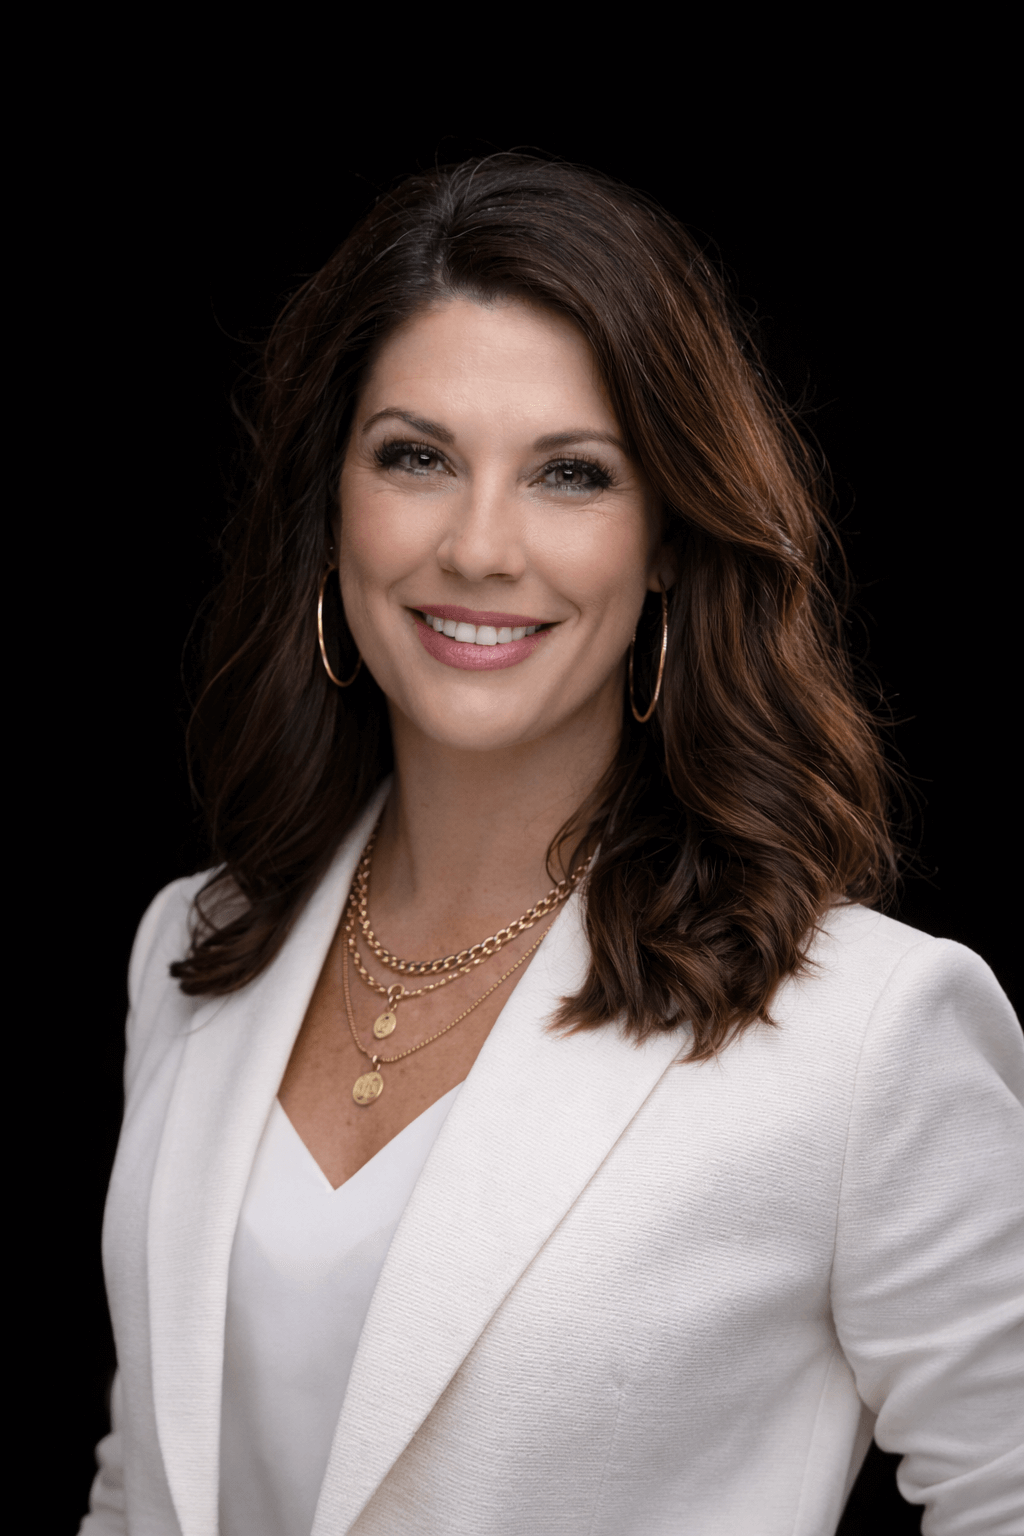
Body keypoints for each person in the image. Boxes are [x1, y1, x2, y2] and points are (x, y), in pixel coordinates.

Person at [81, 156, 1023, 1536]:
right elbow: (145, 1479)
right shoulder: (193, 945)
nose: (478, 544)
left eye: (570, 475)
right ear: (331, 505)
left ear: (665, 545)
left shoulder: (867, 1031)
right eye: (416, 456)